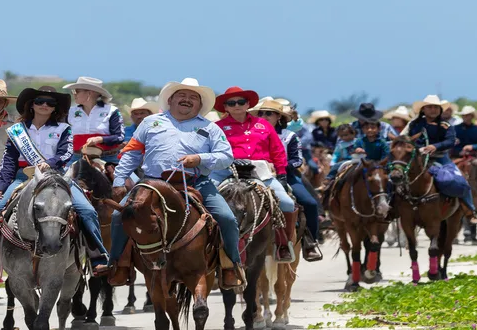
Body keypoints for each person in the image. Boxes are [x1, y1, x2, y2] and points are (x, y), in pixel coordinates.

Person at [108, 78, 244, 288]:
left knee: (227, 218)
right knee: (119, 215)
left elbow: (226, 156)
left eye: (193, 98)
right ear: (170, 100)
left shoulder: (210, 128)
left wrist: (200, 159)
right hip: (152, 183)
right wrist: (119, 180)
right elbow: (132, 153)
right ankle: (117, 264)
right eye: (182, 95)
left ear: (199, 105)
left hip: (196, 183)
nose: (187, 100)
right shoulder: (150, 122)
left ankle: (231, 266)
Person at [0, 86, 110, 277]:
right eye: (39, 101)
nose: (44, 105)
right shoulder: (17, 131)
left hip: (56, 178)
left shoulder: (63, 129)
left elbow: (65, 153)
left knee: (88, 211)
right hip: (22, 177)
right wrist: (1, 184)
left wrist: (48, 164)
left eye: (50, 103)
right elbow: (9, 160)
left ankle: (97, 257)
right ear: (31, 105)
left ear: (55, 108)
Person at [212, 86, 298, 262]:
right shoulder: (216, 127)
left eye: (241, 102)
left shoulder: (263, 125)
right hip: (225, 170)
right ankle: (208, 245)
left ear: (248, 104)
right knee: (202, 200)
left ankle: (283, 245)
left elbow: (277, 151)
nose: (237, 105)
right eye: (231, 103)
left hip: (259, 171)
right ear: (225, 107)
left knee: (288, 203)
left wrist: (281, 175)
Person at [263, 99, 323, 262]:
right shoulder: (254, 133)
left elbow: (298, 160)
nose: (264, 116)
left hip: (286, 175)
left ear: (278, 117)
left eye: (268, 113)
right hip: (257, 174)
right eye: (261, 113)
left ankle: (310, 242)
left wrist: (280, 165)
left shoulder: (290, 136)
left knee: (309, 203)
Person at [406, 95, 476, 214]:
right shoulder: (414, 124)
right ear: (423, 109)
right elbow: (407, 139)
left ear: (440, 110)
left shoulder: (445, 125)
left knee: (461, 181)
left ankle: (469, 210)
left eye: (436, 107)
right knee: (395, 177)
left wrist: (435, 146)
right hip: (417, 158)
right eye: (430, 107)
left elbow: (450, 140)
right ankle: (391, 211)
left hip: (440, 159)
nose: (433, 110)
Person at [62, 76, 125, 165]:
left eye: (76, 91)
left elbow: (120, 137)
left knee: (121, 179)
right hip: (76, 157)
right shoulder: (70, 112)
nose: (74, 94)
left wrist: (100, 139)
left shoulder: (111, 111)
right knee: (64, 178)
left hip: (108, 159)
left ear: (90, 93)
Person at [317, 124, 358, 191]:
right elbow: (336, 154)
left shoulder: (358, 141)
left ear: (353, 133)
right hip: (346, 160)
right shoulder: (340, 145)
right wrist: (333, 162)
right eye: (341, 136)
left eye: (346, 135)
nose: (344, 137)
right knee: (336, 166)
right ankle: (328, 179)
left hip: (358, 159)